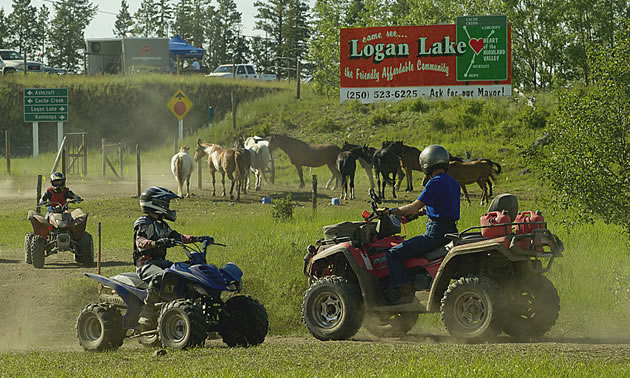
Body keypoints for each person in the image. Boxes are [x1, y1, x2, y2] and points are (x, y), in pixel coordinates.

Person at [381, 145, 460, 305]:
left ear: (426, 163)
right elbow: (442, 206)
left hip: (435, 234)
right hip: (451, 231)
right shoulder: (453, 182)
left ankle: (404, 293)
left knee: (393, 254)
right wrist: (422, 213)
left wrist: (391, 211)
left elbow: (413, 206)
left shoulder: (434, 182)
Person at [133, 186, 213, 328]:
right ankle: (147, 310)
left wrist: (199, 239)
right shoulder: (144, 223)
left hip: (161, 262)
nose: (168, 207)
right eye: (166, 204)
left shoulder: (163, 225)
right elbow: (140, 242)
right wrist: (155, 243)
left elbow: (179, 237)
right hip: (146, 264)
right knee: (161, 277)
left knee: (182, 274)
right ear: (157, 204)